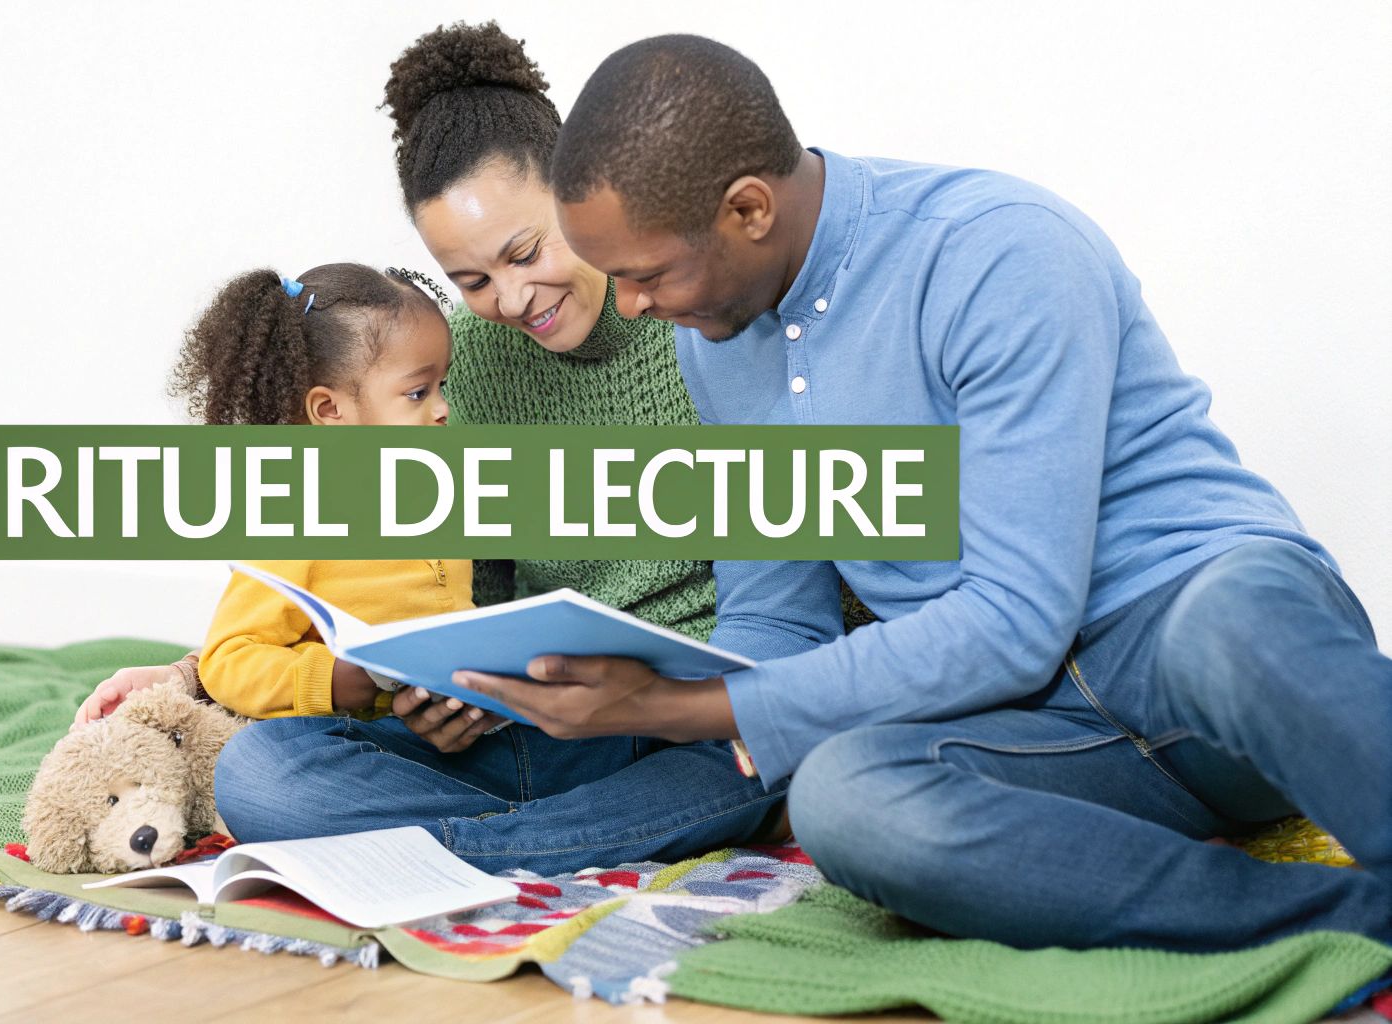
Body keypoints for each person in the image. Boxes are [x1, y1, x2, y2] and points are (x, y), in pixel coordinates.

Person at [458, 33, 1392, 950]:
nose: (631, 307)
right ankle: (1320, 921)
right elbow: (777, 623)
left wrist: (676, 710)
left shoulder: (997, 251)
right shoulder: (714, 347)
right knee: (844, 797)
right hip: (1043, 734)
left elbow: (1017, 618)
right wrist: (598, 678)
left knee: (1231, 619)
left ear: (747, 209)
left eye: (647, 273)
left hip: (1197, 642)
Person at [200, 24, 787, 876]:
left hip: (664, 725)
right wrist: (452, 693)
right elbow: (477, 579)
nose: (511, 298)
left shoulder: (699, 318)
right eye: (473, 281)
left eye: (526, 251)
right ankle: (565, 838)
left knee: (758, 761)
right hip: (528, 720)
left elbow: (781, 597)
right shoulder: (451, 370)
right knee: (259, 774)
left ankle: (471, 852)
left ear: (584, 195)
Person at [73, 263, 472, 728]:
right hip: (350, 730)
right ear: (329, 410)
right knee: (264, 767)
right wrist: (331, 681)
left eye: (442, 386)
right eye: (418, 392)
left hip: (457, 722)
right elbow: (229, 659)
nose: (443, 409)